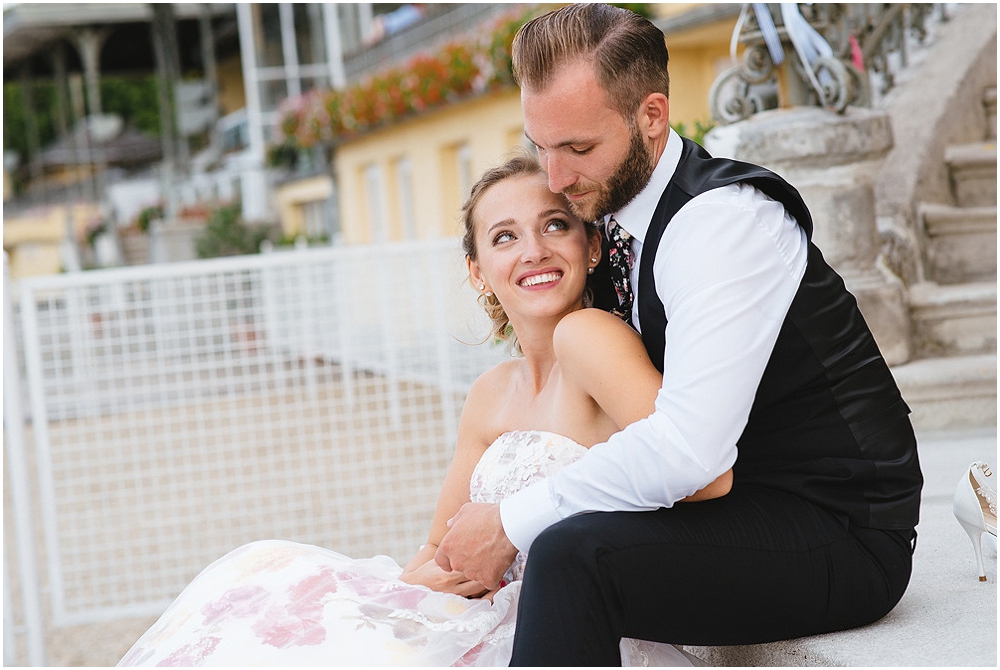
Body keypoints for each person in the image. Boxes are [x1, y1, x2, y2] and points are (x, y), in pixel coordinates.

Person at [434, 4, 924, 666]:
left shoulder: (719, 224)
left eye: (577, 149)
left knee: (570, 553)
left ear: (652, 117)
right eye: (539, 148)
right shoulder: (610, 217)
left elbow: (692, 454)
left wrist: (511, 519)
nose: (555, 180)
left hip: (838, 525)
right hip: (738, 507)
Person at [117, 152, 727, 667]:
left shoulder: (590, 335)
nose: (533, 251)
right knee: (263, 590)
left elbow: (692, 465)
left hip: (561, 623)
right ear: (479, 272)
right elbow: (435, 547)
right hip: (474, 608)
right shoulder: (489, 393)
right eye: (505, 237)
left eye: (555, 226)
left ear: (592, 247)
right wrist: (406, 593)